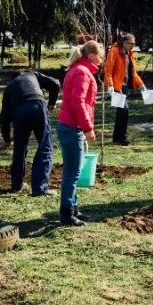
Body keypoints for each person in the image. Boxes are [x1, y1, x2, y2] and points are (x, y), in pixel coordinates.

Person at [58, 40, 101, 226]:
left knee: (72, 170)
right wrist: (88, 128)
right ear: (91, 55)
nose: (101, 59)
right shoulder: (82, 73)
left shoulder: (78, 70)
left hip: (69, 126)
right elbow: (79, 103)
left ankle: (74, 208)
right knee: (73, 173)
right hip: (72, 127)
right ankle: (66, 214)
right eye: (100, 55)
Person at [0, 69, 60, 196]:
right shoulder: (32, 74)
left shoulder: (9, 87)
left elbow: (4, 117)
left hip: (19, 112)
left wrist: (6, 138)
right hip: (37, 107)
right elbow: (55, 84)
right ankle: (39, 188)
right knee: (45, 146)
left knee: (20, 147)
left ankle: (17, 186)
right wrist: (52, 103)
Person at [103, 33, 145, 146]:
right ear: (124, 42)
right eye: (130, 44)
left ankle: (117, 137)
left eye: (134, 44)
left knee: (122, 112)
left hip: (125, 86)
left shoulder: (129, 53)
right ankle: (121, 138)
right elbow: (108, 70)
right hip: (116, 86)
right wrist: (110, 85)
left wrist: (142, 86)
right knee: (124, 110)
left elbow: (133, 73)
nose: (132, 46)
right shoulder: (114, 51)